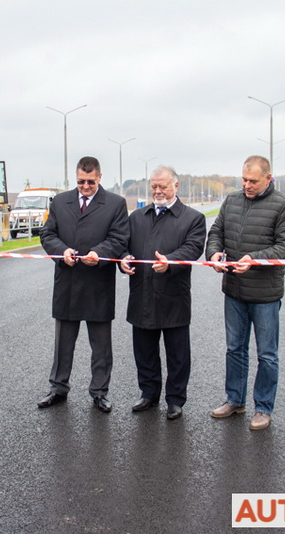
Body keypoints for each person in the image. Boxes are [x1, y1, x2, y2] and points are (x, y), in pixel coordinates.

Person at [205, 155, 285, 431]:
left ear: (268, 178)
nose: (247, 185)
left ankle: (263, 408)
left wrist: (253, 258)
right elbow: (216, 231)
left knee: (267, 354)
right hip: (234, 290)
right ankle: (235, 400)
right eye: (244, 179)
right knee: (235, 349)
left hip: (265, 295)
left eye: (253, 181)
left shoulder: (283, 206)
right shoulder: (232, 201)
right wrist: (214, 252)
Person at [37, 156, 130, 413]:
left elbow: (119, 238)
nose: (85, 186)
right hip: (67, 282)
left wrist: (99, 253)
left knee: (101, 345)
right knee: (63, 342)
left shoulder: (115, 204)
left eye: (90, 181)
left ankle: (99, 392)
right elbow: (47, 234)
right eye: (80, 181)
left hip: (97, 283)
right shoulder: (60, 202)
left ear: (100, 177)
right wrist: (61, 251)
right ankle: (58, 387)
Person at [119, 166, 206, 420]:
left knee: (178, 354)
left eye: (163, 187)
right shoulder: (136, 217)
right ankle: (148, 393)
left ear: (176, 187)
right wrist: (122, 260)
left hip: (173, 297)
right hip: (142, 295)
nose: (157, 191)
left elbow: (193, 248)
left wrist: (171, 261)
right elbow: (123, 246)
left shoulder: (192, 218)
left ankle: (176, 400)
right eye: (154, 186)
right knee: (144, 351)